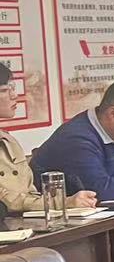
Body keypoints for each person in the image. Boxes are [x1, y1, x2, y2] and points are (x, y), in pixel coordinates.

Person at [1, 61, 96, 213]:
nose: (14, 96)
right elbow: (6, 200)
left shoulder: (9, 141)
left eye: (13, 88)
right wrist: (63, 202)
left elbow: (30, 194)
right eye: (5, 90)